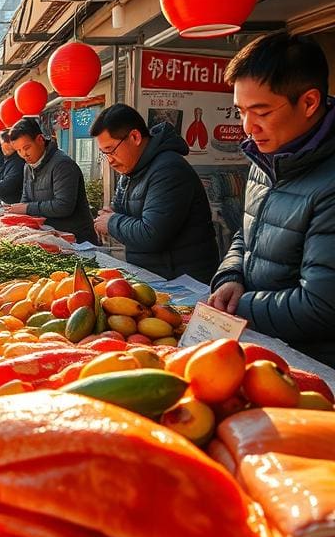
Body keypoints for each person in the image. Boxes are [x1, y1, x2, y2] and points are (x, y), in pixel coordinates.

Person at [208, 33, 335, 367]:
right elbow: (247, 233)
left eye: (261, 111)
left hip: (314, 366)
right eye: (241, 111)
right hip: (264, 347)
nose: (248, 127)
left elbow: (322, 306)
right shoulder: (267, 158)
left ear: (309, 102)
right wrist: (230, 277)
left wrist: (238, 308)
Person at [91, 103, 218, 282]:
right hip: (151, 274)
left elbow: (151, 234)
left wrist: (111, 223)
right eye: (104, 153)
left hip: (181, 279)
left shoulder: (168, 169)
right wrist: (113, 218)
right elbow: (117, 210)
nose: (109, 160)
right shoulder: (131, 170)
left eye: (111, 150)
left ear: (135, 137)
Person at [7, 118, 98, 244]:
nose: (24, 154)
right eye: (18, 151)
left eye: (26, 147)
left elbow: (63, 206)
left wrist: (27, 208)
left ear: (40, 140)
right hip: (50, 236)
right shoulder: (28, 167)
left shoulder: (62, 164)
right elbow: (26, 199)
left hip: (76, 239)